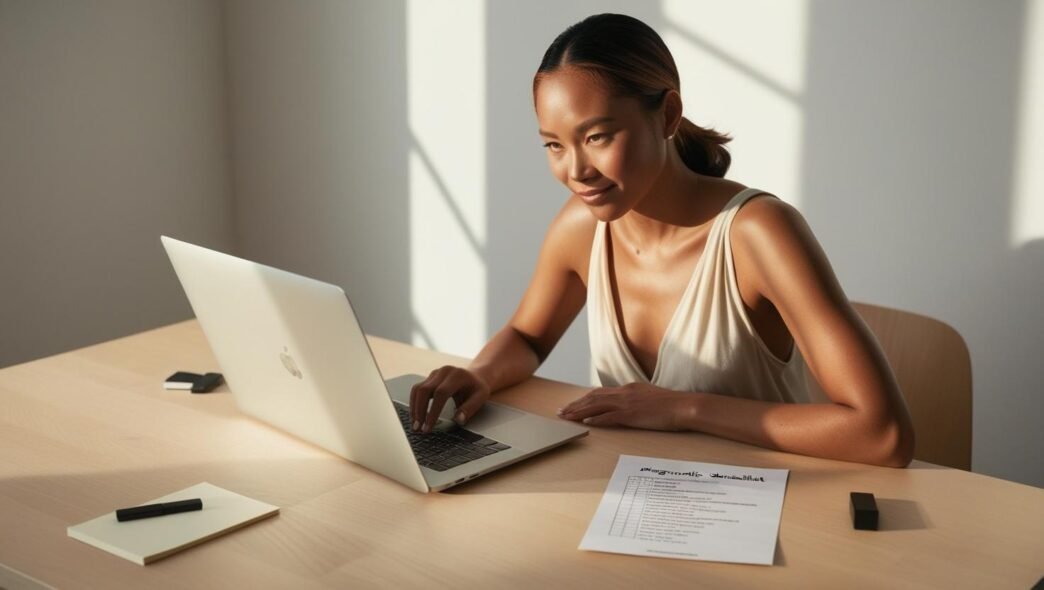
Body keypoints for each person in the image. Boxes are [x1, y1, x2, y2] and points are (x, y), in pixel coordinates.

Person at [410, 13, 915, 467]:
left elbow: (882, 434)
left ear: (668, 115)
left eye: (597, 136)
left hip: (774, 506)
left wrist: (681, 408)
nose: (577, 171)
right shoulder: (581, 227)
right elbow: (528, 336)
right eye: (554, 145)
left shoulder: (759, 234)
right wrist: (481, 374)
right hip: (639, 499)